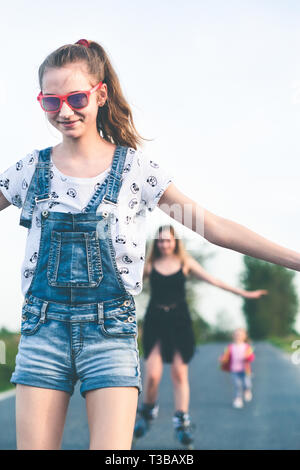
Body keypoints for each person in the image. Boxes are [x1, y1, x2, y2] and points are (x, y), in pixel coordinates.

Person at [0, 38, 300, 450]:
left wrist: (296, 259)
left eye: (76, 97)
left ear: (100, 94)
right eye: (51, 102)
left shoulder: (137, 173)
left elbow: (212, 227)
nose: (64, 111)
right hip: (41, 332)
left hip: (110, 336)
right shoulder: (30, 169)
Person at [133, 224, 266, 448]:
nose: (164, 244)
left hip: (180, 322)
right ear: (156, 243)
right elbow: (127, 284)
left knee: (179, 373)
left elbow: (215, 281)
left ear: (175, 242)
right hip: (155, 320)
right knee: (153, 374)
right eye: (161, 241)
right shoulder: (149, 266)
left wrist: (245, 293)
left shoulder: (185, 263)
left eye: (168, 240)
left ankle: (181, 421)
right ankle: (148, 411)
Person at [219, 328, 255, 409]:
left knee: (247, 383)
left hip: (245, 370)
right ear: (233, 336)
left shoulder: (247, 347)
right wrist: (222, 359)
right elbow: (225, 355)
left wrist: (248, 357)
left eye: (240, 335)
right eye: (236, 335)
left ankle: (247, 390)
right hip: (234, 370)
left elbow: (251, 357)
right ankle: (238, 399)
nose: (238, 336)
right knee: (237, 385)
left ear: (244, 336)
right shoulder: (230, 347)